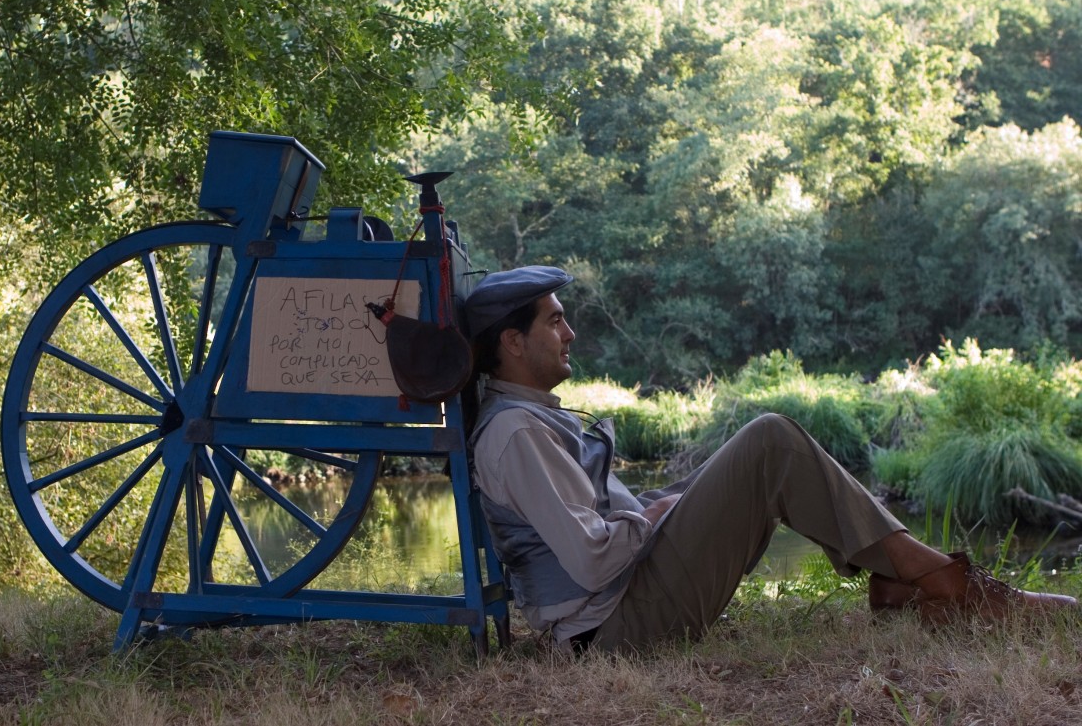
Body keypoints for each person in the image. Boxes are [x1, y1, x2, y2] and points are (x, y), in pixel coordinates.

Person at [462, 265, 1077, 653]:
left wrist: (661, 504)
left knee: (764, 446)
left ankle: (906, 580)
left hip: (630, 598)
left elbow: (595, 518)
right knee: (769, 440)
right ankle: (945, 583)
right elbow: (593, 559)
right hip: (615, 628)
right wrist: (657, 517)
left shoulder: (531, 418)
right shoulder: (517, 433)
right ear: (513, 343)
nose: (569, 334)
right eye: (556, 322)